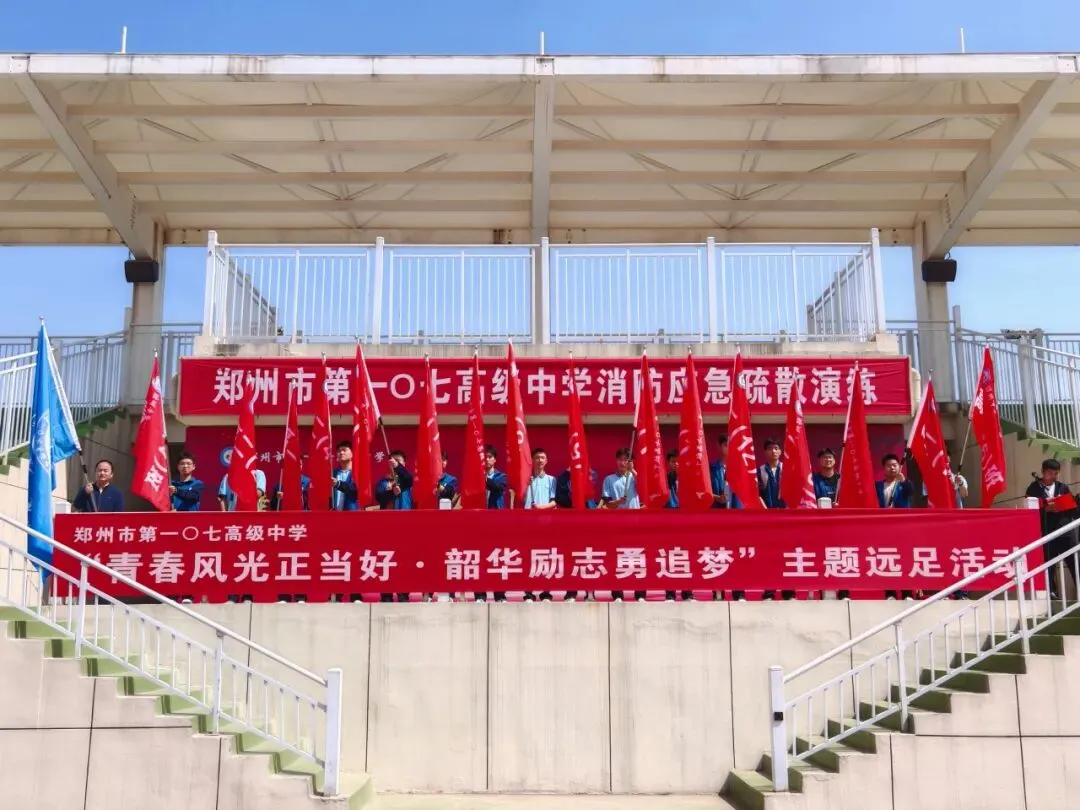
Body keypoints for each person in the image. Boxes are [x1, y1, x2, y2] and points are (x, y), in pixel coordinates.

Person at [1025, 459, 1080, 600]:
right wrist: (1046, 509)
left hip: (1066, 533)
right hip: (1047, 533)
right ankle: (1052, 593)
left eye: (1056, 473)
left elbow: (1074, 512)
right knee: (1049, 565)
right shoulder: (1033, 489)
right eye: (1050, 473)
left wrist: (1073, 504)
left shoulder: (1063, 487)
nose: (1053, 477)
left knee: (1075, 563)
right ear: (1043, 472)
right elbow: (1029, 513)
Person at [709, 435, 739, 508]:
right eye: (726, 445)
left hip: (736, 510)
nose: (729, 448)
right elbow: (705, 491)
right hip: (716, 510)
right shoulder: (711, 467)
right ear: (719, 446)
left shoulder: (739, 469)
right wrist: (717, 498)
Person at [331, 441, 359, 511]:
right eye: (339, 451)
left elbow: (356, 493)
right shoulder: (333, 473)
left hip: (352, 514)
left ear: (352, 453)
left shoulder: (358, 472)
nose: (341, 453)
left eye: (344, 450)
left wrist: (338, 484)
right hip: (334, 515)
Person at [757, 438, 785, 509]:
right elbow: (758, 494)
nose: (773, 451)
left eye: (776, 448)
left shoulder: (786, 469)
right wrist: (766, 511)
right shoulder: (760, 471)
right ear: (765, 452)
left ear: (780, 451)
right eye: (770, 449)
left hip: (784, 511)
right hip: (766, 511)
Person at [483, 445, 508, 509]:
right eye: (485, 457)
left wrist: (483, 479)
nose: (487, 459)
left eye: (490, 457)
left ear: (495, 459)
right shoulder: (478, 477)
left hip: (496, 512)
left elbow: (495, 485)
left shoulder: (501, 476)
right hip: (480, 512)